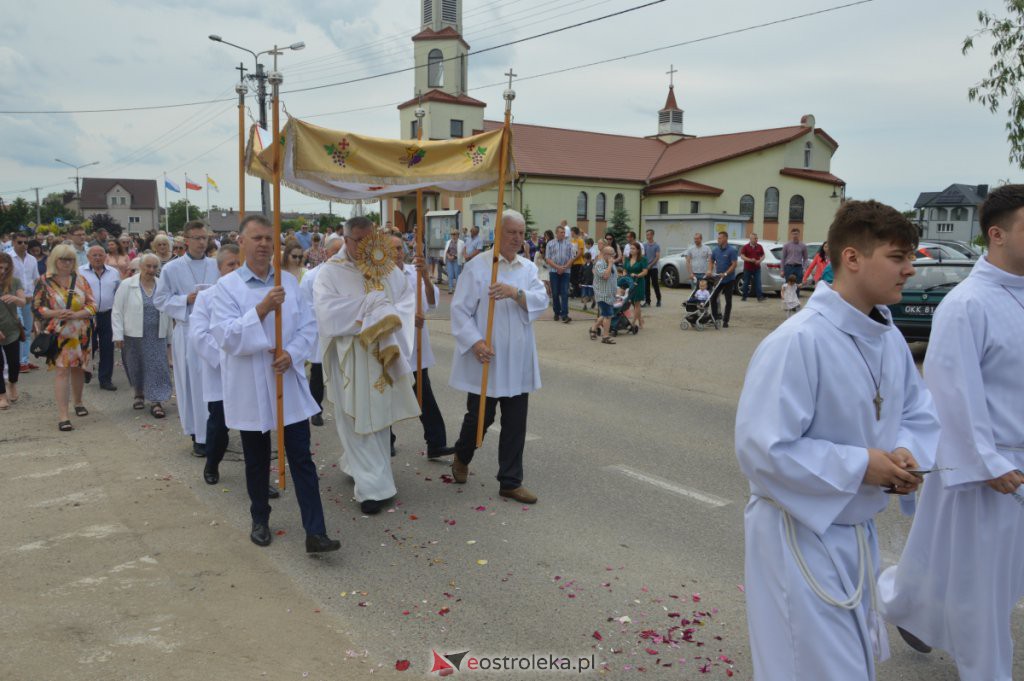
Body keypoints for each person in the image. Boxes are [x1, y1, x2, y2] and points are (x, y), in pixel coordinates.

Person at [734, 199, 939, 681]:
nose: (910, 270)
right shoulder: (799, 341)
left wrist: (907, 453)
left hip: (854, 534)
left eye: (910, 257)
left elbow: (916, 411)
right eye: (897, 257)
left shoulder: (886, 337)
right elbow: (763, 449)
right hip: (799, 534)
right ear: (852, 258)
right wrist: (861, 465)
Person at [877, 184, 1024, 680]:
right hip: (988, 468)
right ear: (997, 235)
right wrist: (986, 461)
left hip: (1014, 462)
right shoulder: (967, 304)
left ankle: (900, 602)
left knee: (968, 572)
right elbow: (951, 391)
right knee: (981, 595)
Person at [211, 215, 340, 553]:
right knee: (256, 458)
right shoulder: (226, 288)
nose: (265, 244)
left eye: (269, 238)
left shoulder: (289, 282)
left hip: (286, 380)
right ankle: (260, 517)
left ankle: (316, 530)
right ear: (241, 242)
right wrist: (262, 309)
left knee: (301, 457)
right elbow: (226, 335)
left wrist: (294, 353)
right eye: (257, 238)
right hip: (251, 382)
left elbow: (308, 326)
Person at [313, 217, 420, 515]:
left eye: (370, 239)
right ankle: (373, 488)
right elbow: (326, 313)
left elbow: (405, 299)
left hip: (382, 351)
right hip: (351, 355)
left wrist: (387, 316)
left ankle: (366, 469)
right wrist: (369, 307)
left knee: (379, 415)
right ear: (345, 239)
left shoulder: (385, 265)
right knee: (357, 417)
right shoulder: (329, 273)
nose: (365, 246)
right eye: (358, 240)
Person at [448, 209, 548, 504]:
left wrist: (515, 292)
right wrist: (475, 342)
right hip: (487, 358)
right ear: (498, 233)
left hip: (517, 358)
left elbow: (541, 300)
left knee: (516, 421)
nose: (517, 238)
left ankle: (510, 480)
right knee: (480, 417)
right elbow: (459, 310)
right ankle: (462, 455)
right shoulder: (478, 267)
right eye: (511, 232)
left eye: (521, 232)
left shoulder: (527, 269)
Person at [154, 221, 218, 456]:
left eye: (205, 237)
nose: (202, 242)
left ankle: (216, 430)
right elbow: (160, 300)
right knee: (191, 384)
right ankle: (198, 435)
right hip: (187, 329)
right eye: (197, 238)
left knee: (214, 382)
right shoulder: (172, 268)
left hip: (213, 331)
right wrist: (185, 300)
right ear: (186, 240)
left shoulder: (216, 265)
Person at [389, 234, 456, 460]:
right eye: (393, 249)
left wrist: (426, 276)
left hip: (416, 347)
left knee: (423, 395)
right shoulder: (378, 277)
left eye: (400, 248)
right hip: (392, 345)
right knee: (388, 395)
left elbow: (432, 302)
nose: (398, 253)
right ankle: (385, 441)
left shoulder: (413, 272)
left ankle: (436, 443)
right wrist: (406, 318)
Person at [189, 245, 241, 485]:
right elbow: (199, 335)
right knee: (219, 425)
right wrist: (228, 356)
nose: (236, 268)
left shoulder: (252, 294)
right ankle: (212, 463)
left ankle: (259, 477)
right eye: (231, 264)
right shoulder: (207, 297)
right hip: (221, 372)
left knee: (255, 430)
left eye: (240, 263)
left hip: (249, 372)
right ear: (220, 268)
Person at [33, 244, 97, 431]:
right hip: (59, 334)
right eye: (63, 259)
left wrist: (77, 314)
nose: (66, 263)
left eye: (70, 259)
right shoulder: (44, 281)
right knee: (62, 371)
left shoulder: (81, 280)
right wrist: (56, 312)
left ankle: (78, 402)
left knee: (78, 369)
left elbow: (93, 305)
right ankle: (63, 415)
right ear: (54, 260)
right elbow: (37, 308)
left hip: (81, 332)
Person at [112, 253, 172, 418]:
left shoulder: (162, 285)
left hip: (156, 333)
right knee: (136, 365)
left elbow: (168, 311)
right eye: (148, 266)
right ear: (140, 267)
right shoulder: (127, 285)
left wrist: (170, 338)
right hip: (134, 333)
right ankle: (139, 393)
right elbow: (117, 311)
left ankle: (156, 401)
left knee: (158, 366)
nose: (151, 270)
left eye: (155, 267)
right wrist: (118, 335)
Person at [300, 234, 345, 427]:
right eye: (335, 252)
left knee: (345, 372)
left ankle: (346, 410)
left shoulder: (349, 274)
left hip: (343, 331)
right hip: (320, 331)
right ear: (326, 253)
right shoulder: (311, 276)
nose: (339, 256)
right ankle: (316, 409)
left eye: (342, 252)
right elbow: (304, 305)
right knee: (318, 373)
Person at [79, 245, 121, 391]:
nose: (97, 258)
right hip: (87, 315)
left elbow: (118, 292)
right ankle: (86, 370)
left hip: (107, 314)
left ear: (105, 257)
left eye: (100, 255)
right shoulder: (80, 272)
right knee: (88, 346)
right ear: (88, 257)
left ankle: (105, 379)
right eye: (94, 255)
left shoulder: (114, 273)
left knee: (108, 347)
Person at [9, 234, 38, 372]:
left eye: (26, 242)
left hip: (28, 299)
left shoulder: (32, 259)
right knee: (16, 329)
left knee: (26, 331)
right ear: (13, 242)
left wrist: (37, 296)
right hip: (12, 300)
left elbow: (35, 279)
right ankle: (14, 361)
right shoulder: (7, 258)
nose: (23, 245)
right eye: (20, 242)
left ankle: (23, 360)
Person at [0, 253, 26, 409]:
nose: (2, 271)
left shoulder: (14, 282)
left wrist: (15, 299)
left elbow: (23, 302)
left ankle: (12, 383)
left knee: (14, 363)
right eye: (0, 267)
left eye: (5, 267)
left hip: (12, 328)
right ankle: (2, 395)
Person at [708, 231, 738, 328]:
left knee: (728, 301)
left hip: (729, 279)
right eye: (718, 238)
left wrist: (725, 273)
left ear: (725, 238)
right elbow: (711, 261)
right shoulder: (715, 250)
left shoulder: (732, 250)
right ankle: (715, 318)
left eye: (720, 238)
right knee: (713, 298)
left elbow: (734, 264)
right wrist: (709, 270)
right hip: (718, 279)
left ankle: (725, 321)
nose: (718, 240)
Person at [545, 224, 573, 323]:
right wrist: (557, 267)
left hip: (565, 272)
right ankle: (557, 312)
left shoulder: (569, 244)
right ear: (556, 233)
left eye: (564, 232)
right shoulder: (550, 244)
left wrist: (564, 267)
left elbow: (571, 258)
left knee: (565, 293)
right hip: (554, 271)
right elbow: (547, 258)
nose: (563, 234)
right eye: (561, 232)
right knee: (555, 293)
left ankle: (565, 314)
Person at [589, 245, 617, 345]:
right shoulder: (599, 264)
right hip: (602, 294)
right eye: (610, 254)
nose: (612, 256)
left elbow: (613, 279)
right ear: (605, 254)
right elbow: (605, 276)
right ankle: (605, 337)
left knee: (605, 314)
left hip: (610, 294)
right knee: (608, 315)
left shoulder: (612, 264)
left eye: (613, 254)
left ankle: (593, 329)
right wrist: (610, 265)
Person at [622, 241, 648, 329]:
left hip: (638, 282)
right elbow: (625, 269)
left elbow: (645, 271)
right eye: (630, 248)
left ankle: (633, 323)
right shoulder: (627, 259)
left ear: (638, 250)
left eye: (633, 249)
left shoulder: (643, 259)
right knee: (632, 302)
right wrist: (624, 273)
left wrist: (637, 275)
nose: (631, 250)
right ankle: (640, 321)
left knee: (637, 303)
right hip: (629, 282)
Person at [781, 228, 809, 297]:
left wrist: (804, 268)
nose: (795, 235)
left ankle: (796, 304)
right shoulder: (786, 245)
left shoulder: (803, 246)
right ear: (791, 235)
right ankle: (788, 303)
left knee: (797, 286)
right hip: (788, 267)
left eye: (796, 234)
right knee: (788, 285)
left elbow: (805, 258)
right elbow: (783, 258)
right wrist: (782, 270)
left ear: (799, 234)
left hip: (798, 268)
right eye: (793, 234)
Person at [739, 232, 766, 302]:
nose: (757, 239)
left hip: (757, 268)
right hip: (748, 268)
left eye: (757, 238)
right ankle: (744, 297)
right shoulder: (745, 247)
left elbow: (763, 255)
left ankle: (760, 297)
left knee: (758, 282)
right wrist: (750, 260)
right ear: (751, 239)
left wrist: (759, 261)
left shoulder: (760, 246)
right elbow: (742, 256)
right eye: (755, 238)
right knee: (746, 282)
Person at [642, 229, 662, 307]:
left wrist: (651, 265)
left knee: (655, 284)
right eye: (647, 235)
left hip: (653, 268)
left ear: (652, 235)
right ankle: (647, 301)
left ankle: (659, 300)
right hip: (646, 268)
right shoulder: (644, 245)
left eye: (649, 235)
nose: (648, 236)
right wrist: (645, 265)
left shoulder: (656, 245)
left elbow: (657, 257)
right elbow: (643, 256)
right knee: (646, 285)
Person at [443, 228, 465, 294]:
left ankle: (458, 289)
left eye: (454, 234)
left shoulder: (461, 242)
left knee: (457, 274)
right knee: (450, 275)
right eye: (452, 234)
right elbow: (446, 250)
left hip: (456, 260)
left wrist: (454, 256)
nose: (453, 236)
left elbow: (461, 251)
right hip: (449, 260)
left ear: (458, 235)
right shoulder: (448, 242)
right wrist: (448, 256)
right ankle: (450, 288)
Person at [569, 226, 586, 298]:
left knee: (577, 278)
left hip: (578, 262)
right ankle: (574, 292)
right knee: (572, 278)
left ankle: (578, 293)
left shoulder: (580, 240)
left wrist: (573, 259)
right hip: (573, 262)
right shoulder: (572, 241)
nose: (571, 233)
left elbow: (580, 252)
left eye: (571, 232)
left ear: (574, 232)